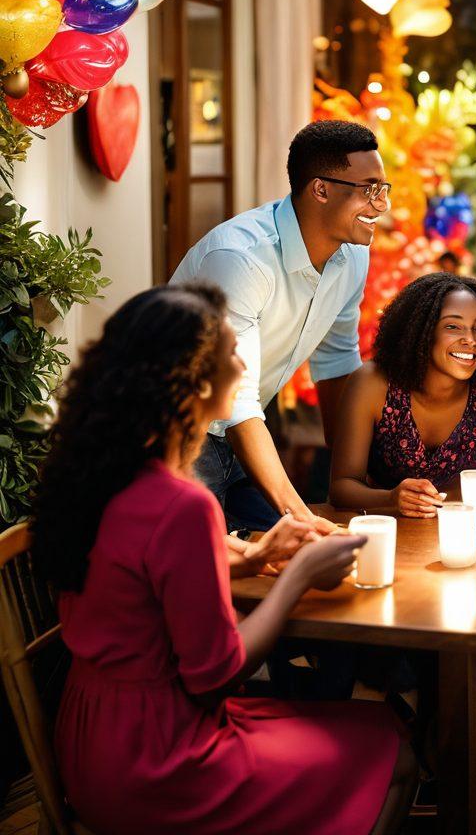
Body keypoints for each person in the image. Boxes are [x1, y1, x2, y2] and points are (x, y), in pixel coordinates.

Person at [29, 283, 416, 835]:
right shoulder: (182, 504)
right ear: (194, 383)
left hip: (90, 738)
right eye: (234, 353)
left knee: (377, 723)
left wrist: (256, 557)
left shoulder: (95, 478)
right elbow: (218, 676)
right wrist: (299, 575)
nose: (244, 365)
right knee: (393, 750)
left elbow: (140, 581)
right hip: (161, 762)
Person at [171, 119, 390, 532]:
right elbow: (238, 402)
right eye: (368, 190)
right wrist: (303, 518)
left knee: (294, 552)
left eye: (383, 190)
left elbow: (337, 360)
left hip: (241, 433)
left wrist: (354, 481)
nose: (381, 206)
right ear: (320, 190)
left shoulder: (352, 255)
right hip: (176, 435)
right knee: (208, 570)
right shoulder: (242, 258)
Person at [330, 273, 476, 515]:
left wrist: (427, 502)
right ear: (422, 330)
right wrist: (391, 498)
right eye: (453, 326)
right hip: (389, 533)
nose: (470, 340)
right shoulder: (371, 384)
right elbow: (341, 487)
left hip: (464, 535)